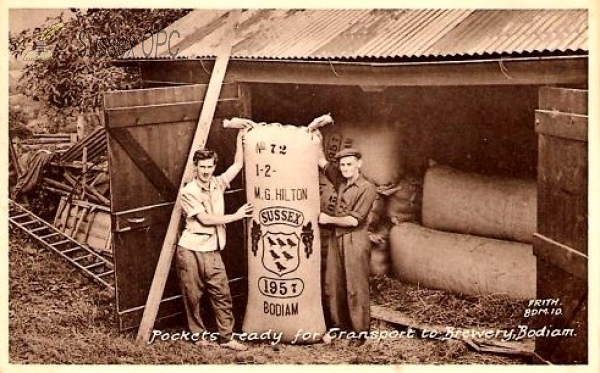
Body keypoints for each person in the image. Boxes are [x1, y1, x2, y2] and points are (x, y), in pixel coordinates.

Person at [176, 130, 252, 351]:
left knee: (222, 293)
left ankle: (227, 338)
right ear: (196, 168)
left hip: (212, 249)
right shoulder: (189, 191)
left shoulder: (218, 183)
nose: (206, 171)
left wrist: (240, 138)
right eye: (202, 167)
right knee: (193, 296)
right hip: (190, 250)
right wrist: (236, 216)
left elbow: (238, 164)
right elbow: (205, 219)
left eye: (210, 167)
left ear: (214, 167)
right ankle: (199, 336)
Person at [317, 144, 378, 347]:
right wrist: (316, 133)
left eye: (349, 164)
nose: (344, 168)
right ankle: (340, 327)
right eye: (342, 165)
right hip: (337, 239)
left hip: (355, 239)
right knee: (332, 283)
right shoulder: (341, 181)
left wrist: (327, 219)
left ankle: (359, 332)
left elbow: (354, 221)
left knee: (355, 286)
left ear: (359, 164)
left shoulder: (368, 188)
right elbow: (321, 161)